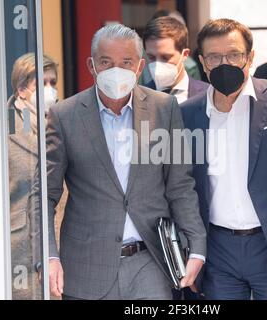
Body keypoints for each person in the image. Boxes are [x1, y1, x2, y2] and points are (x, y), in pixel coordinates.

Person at [42, 24, 206, 300]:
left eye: (126, 62)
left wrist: (197, 246)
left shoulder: (164, 108)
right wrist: (48, 256)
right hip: (86, 267)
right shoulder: (64, 115)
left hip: (150, 263)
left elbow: (180, 185)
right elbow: (45, 195)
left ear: (140, 67)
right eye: (106, 62)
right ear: (91, 66)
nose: (115, 70)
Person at [181, 18, 267, 300]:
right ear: (202, 62)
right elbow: (183, 187)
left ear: (250, 56)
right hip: (218, 250)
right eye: (215, 56)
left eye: (234, 54)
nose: (225, 63)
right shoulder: (187, 114)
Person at [8, 53, 59, 300]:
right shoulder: (1, 127)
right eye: (43, 84)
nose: (50, 90)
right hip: (18, 250)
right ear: (22, 90)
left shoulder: (59, 123)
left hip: (56, 246)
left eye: (53, 82)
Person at [144, 16, 209, 104]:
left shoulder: (208, 94)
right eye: (151, 57)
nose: (157, 65)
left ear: (185, 55)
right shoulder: (139, 97)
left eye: (165, 57)